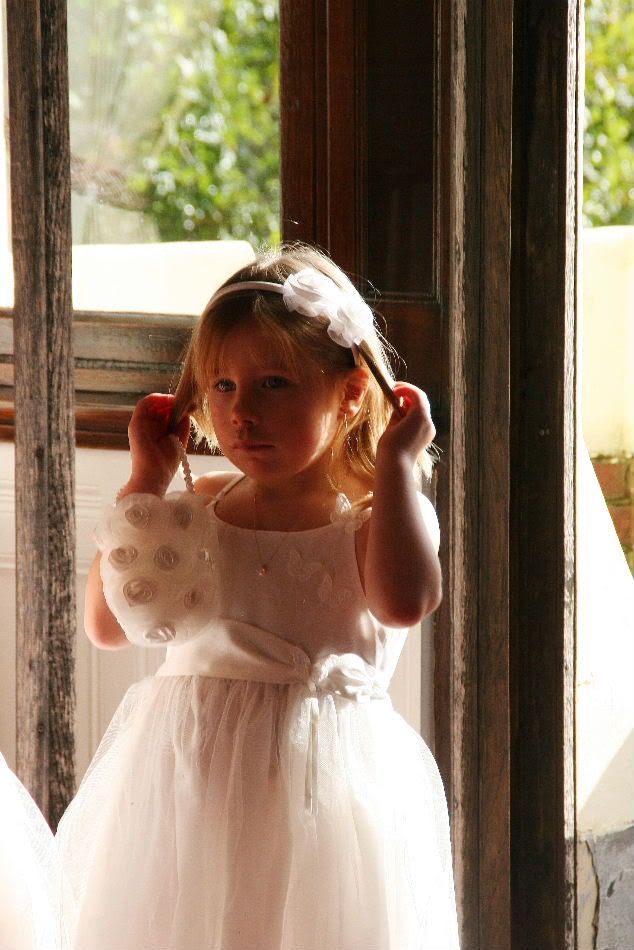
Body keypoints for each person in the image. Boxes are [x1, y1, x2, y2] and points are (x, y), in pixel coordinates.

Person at [56, 243, 460, 949]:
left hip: (320, 800)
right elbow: (108, 625)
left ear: (351, 393)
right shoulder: (197, 509)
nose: (242, 413)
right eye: (222, 386)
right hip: (190, 792)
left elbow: (404, 603)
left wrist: (397, 464)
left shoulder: (376, 517)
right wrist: (147, 482)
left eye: (274, 384)